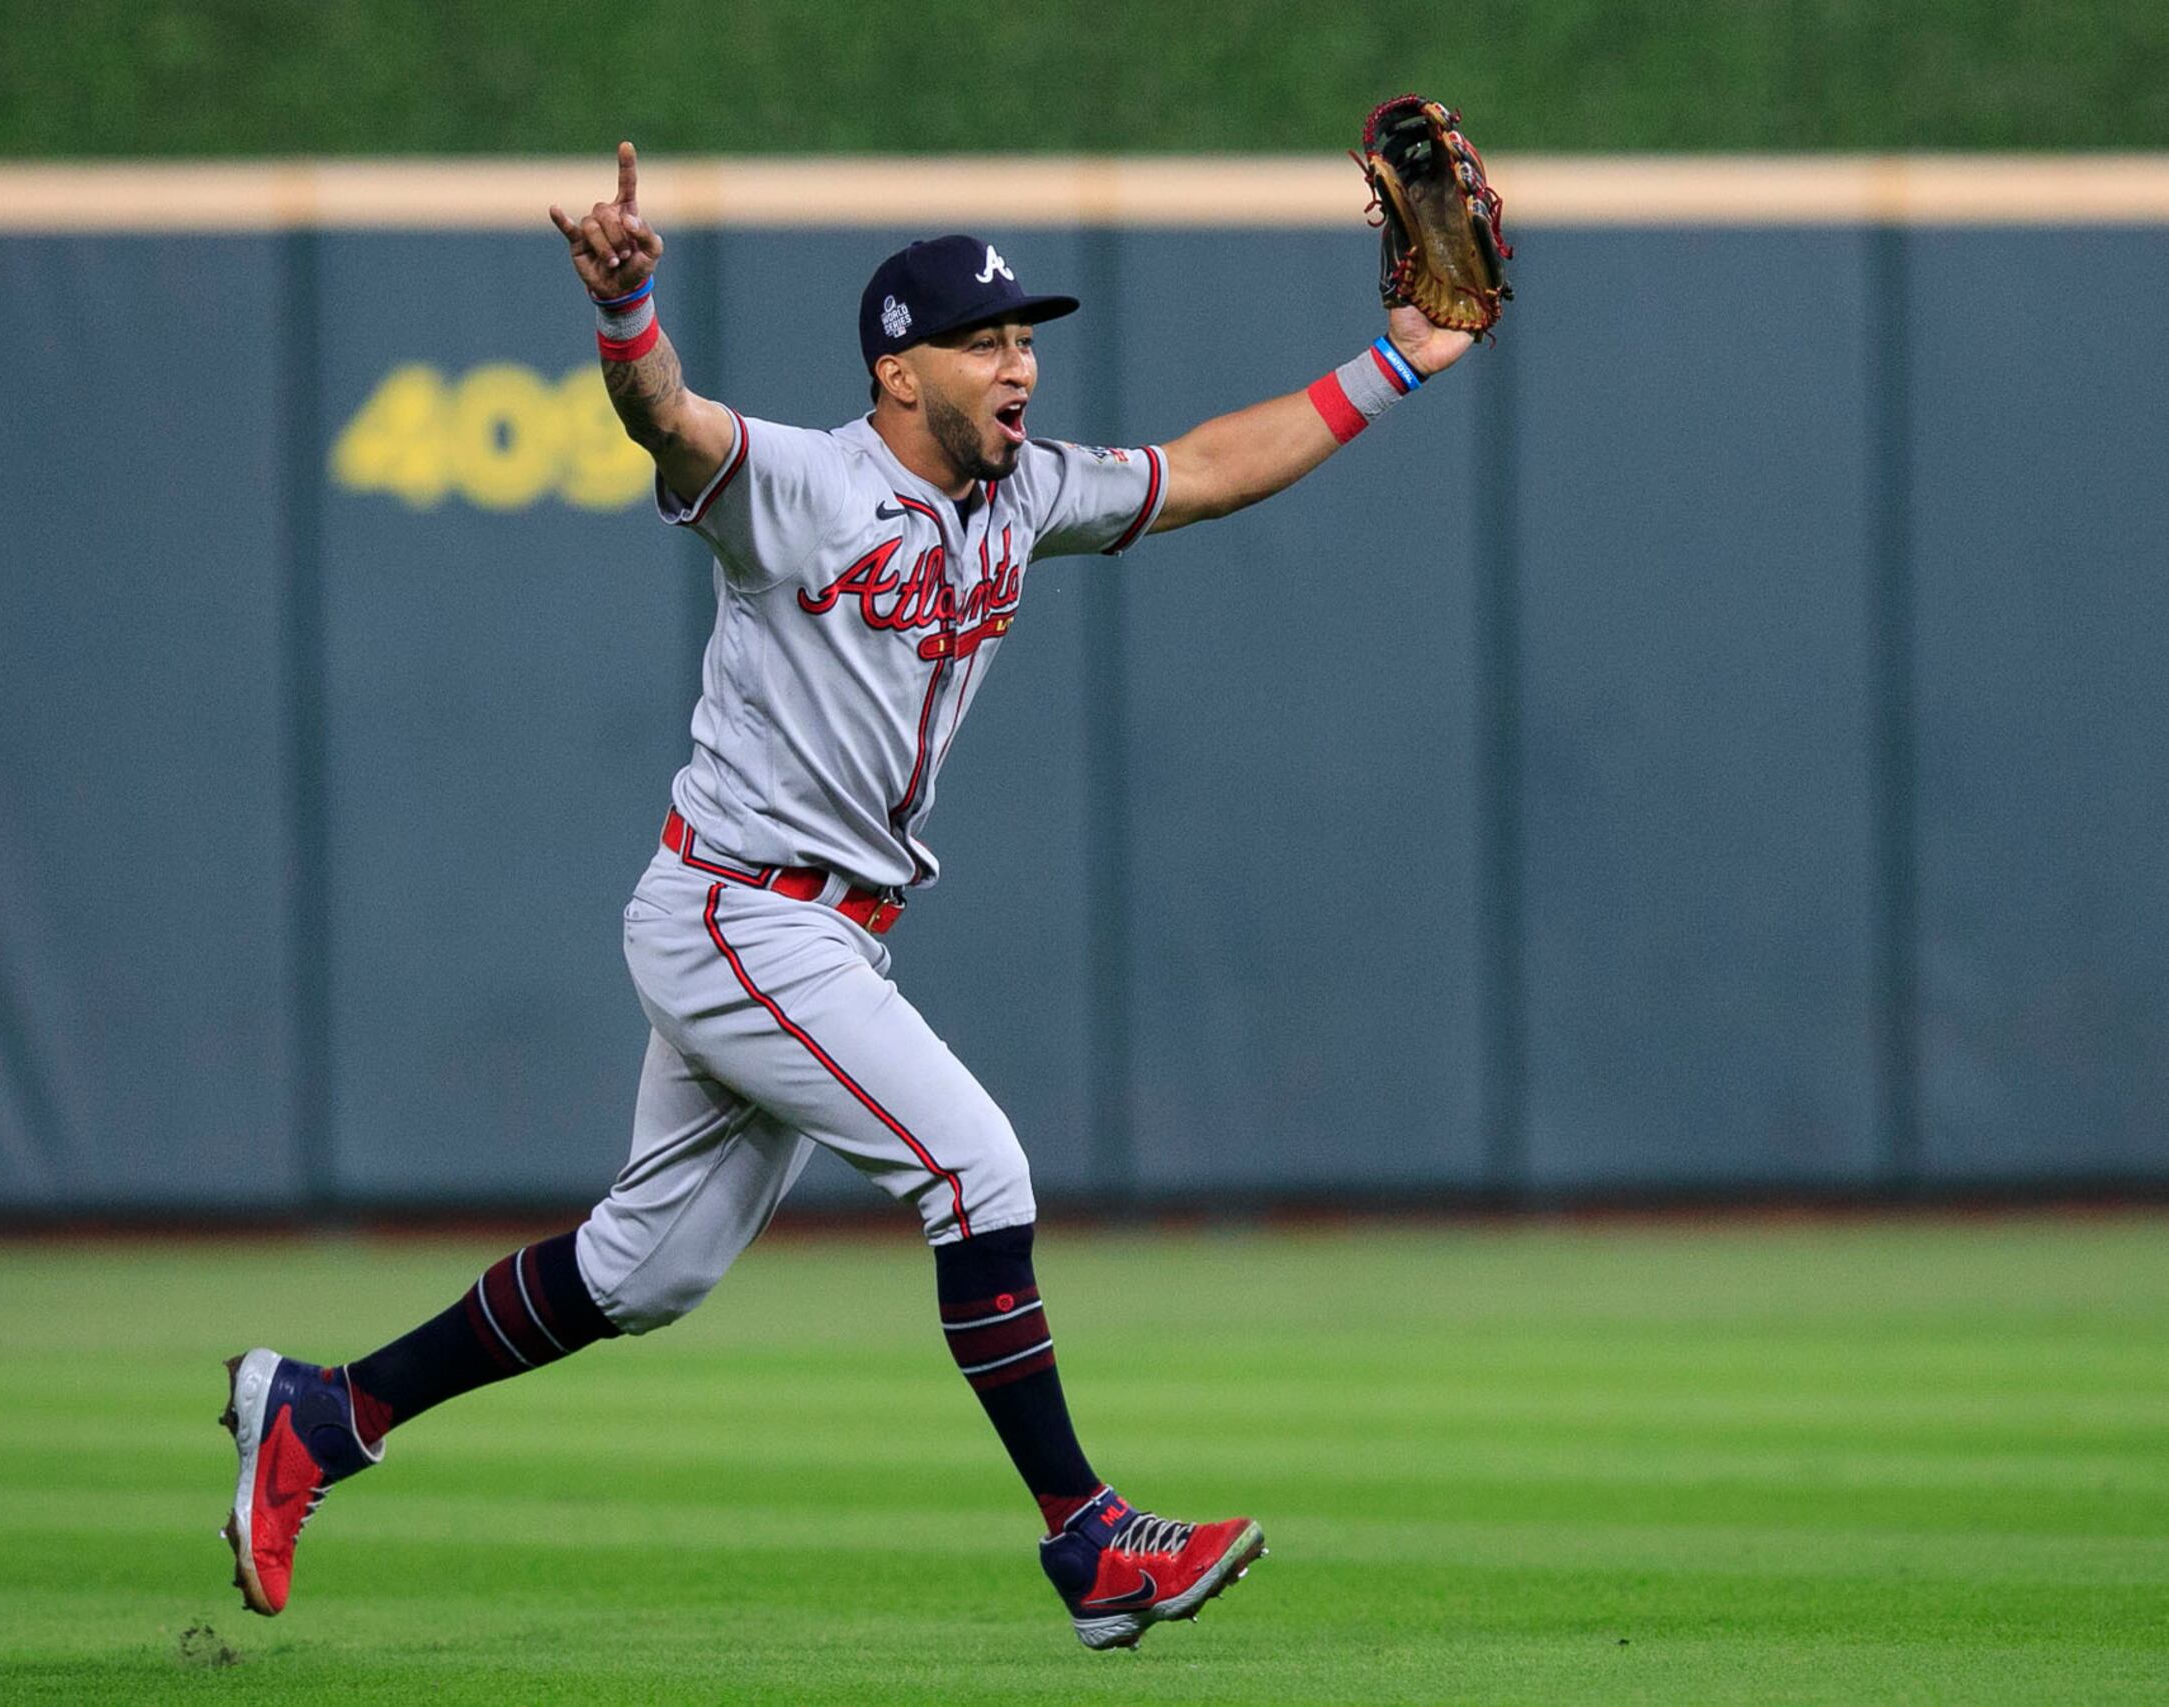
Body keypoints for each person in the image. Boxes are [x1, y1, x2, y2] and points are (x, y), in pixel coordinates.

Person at [222, 141, 1473, 1652]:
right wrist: (627, 313)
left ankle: (323, 1415)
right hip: (742, 914)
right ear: (901, 371)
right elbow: (669, 422)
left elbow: (1210, 468)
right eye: (987, 342)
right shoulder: (804, 487)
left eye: (1027, 340)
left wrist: (1398, 361)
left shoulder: (1024, 500)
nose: (1021, 367)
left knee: (646, 1270)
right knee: (976, 1174)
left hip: (819, 934)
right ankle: (1090, 1545)